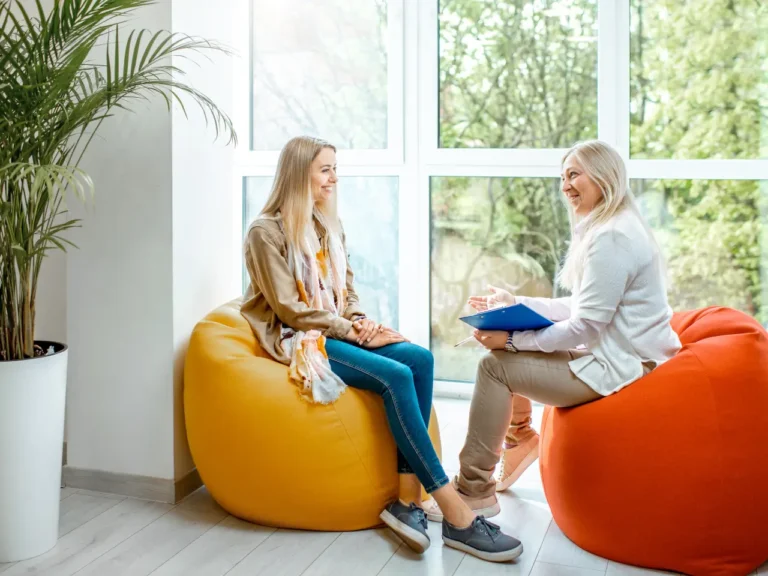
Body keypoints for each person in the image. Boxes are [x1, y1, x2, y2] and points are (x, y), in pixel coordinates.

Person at [241, 136, 523, 562]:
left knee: (419, 358)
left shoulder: (326, 224)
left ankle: (406, 502)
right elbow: (290, 310)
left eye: (335, 168)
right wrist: (349, 331)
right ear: (299, 174)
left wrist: (359, 322)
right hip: (299, 339)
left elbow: (347, 291)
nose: (334, 178)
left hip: (333, 330)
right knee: (395, 375)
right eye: (325, 169)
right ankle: (456, 513)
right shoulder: (265, 232)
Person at [455, 140, 682, 515]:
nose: (565, 186)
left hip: (624, 369)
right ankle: (520, 439)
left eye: (574, 174)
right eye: (562, 177)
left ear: (604, 175)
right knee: (504, 351)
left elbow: (586, 327)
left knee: (494, 367)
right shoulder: (610, 226)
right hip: (619, 357)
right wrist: (517, 305)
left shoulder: (612, 238)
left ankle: (473, 491)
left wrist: (513, 341)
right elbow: (584, 304)